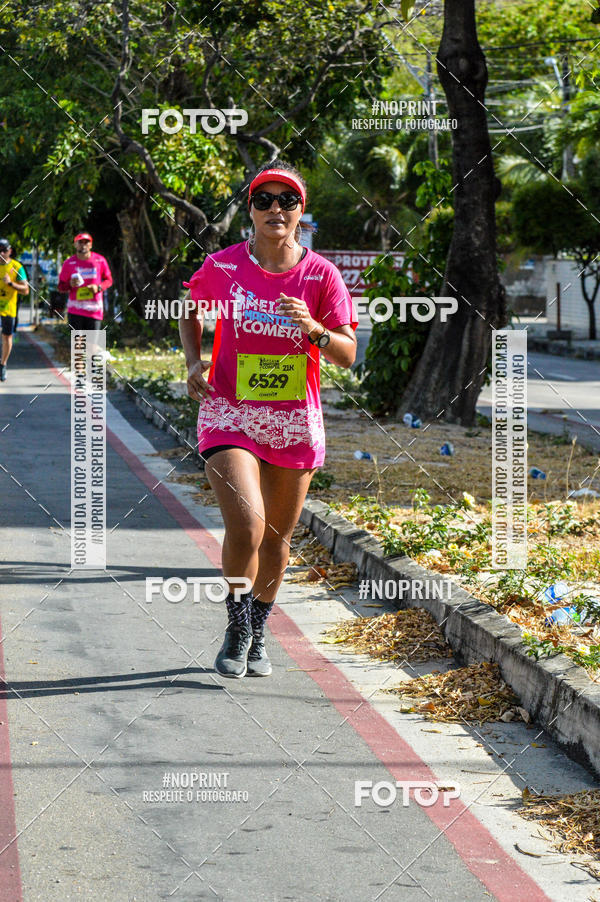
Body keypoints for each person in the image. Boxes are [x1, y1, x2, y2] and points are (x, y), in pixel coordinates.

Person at [180, 161, 358, 679]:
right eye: (264, 200)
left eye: (287, 200)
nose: (275, 209)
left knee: (278, 539)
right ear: (251, 210)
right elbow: (190, 310)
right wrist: (195, 361)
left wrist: (317, 330)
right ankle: (236, 625)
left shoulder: (321, 274)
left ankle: (259, 628)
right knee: (248, 524)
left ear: (301, 211)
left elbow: (347, 353)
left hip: (294, 421)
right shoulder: (224, 266)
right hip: (229, 413)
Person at [58, 232, 113, 330]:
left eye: (86, 242)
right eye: (80, 242)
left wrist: (98, 287)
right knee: (78, 345)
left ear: (91, 245)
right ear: (75, 245)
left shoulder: (100, 260)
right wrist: (70, 284)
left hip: (94, 310)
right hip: (75, 310)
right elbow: (61, 287)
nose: (83, 245)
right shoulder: (68, 263)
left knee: (92, 344)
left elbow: (109, 280)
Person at [0, 238, 29, 382]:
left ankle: (3, 364)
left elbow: (26, 290)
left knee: (7, 337)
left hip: (8, 307)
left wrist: (11, 284)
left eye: (3, 250)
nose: (1, 253)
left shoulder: (17, 267)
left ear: (9, 251)